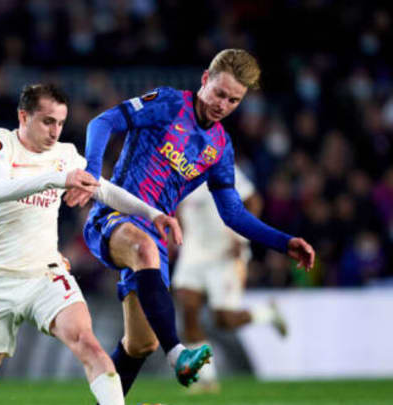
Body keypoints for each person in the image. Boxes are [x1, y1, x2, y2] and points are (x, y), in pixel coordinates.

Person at [65, 49, 315, 395]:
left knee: (141, 343)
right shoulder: (168, 103)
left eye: (233, 100)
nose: (222, 104)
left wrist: (283, 242)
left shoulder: (220, 148)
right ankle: (179, 355)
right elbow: (102, 122)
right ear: (204, 80)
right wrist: (93, 173)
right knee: (144, 247)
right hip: (115, 216)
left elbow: (233, 214)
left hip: (155, 235)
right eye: (219, 93)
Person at [0, 84, 182, 405]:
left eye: (60, 123)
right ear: (23, 116)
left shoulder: (65, 155)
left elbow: (103, 189)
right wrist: (59, 179)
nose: (55, 131)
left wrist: (152, 213)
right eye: (47, 121)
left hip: (44, 275)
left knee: (88, 344)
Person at [173, 165, 286, 392]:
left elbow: (253, 200)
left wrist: (242, 235)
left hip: (225, 252)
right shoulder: (176, 169)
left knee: (224, 320)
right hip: (193, 252)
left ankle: (267, 314)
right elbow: (177, 205)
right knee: (188, 311)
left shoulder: (221, 166)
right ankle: (206, 380)